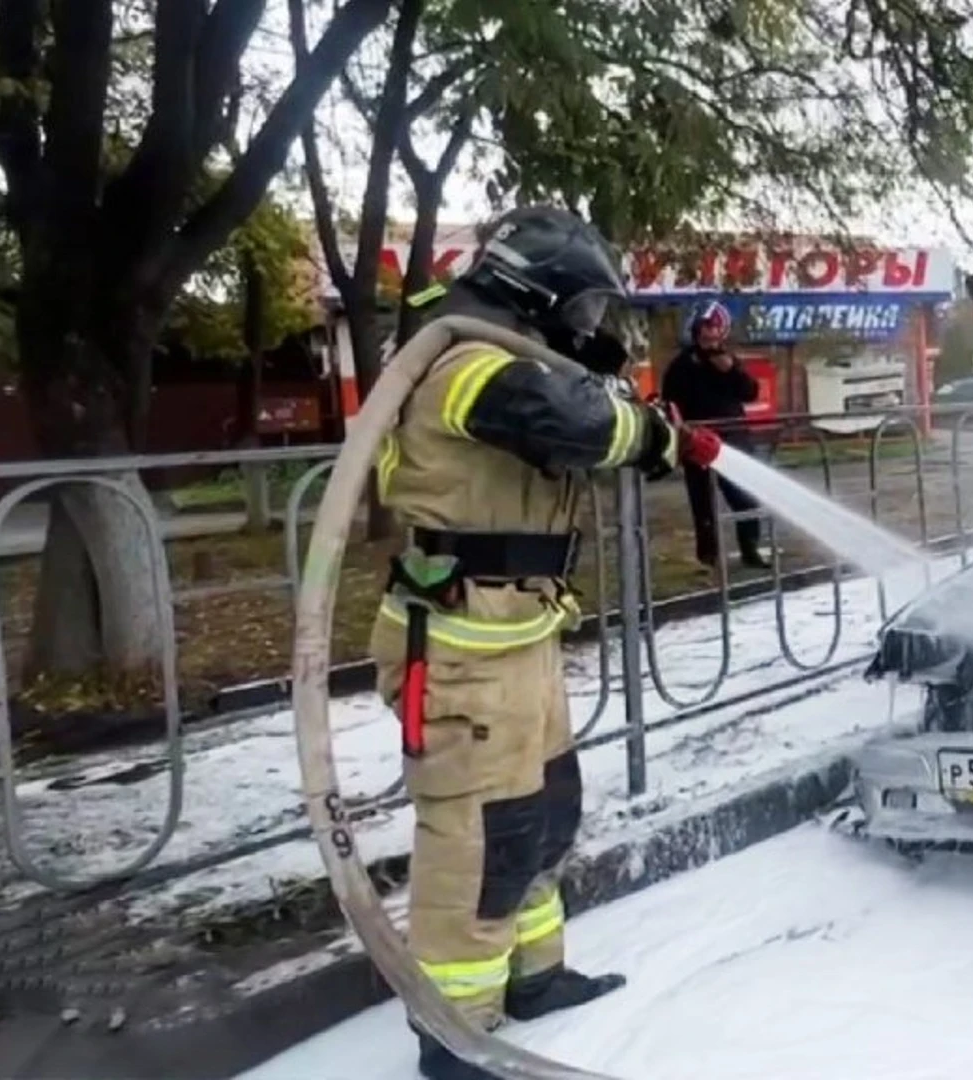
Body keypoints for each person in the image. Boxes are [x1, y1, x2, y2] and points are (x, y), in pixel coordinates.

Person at [371, 205, 720, 1080]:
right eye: (585, 312)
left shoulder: (504, 358)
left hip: (516, 630)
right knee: (481, 836)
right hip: (457, 638)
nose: (590, 329)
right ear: (539, 294)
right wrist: (654, 433)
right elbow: (578, 426)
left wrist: (618, 395)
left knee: (545, 809)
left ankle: (534, 979)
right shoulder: (466, 365)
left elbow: (571, 412)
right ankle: (455, 1039)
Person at [658, 300, 769, 569]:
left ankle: (750, 549)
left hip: (733, 441)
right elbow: (670, 402)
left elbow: (750, 392)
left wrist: (730, 370)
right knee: (703, 504)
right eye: (704, 330)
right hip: (697, 443)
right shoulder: (682, 364)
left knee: (744, 497)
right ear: (696, 332)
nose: (709, 336)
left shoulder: (728, 360)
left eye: (714, 330)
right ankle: (709, 557)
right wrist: (681, 434)